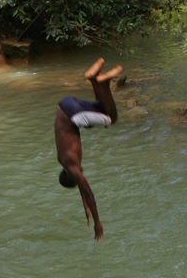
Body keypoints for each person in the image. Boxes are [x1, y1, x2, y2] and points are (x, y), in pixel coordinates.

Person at [54, 58, 122, 241]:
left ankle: (104, 83)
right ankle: (93, 78)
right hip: (64, 107)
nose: (81, 175)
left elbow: (88, 191)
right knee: (102, 107)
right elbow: (81, 185)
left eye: (76, 179)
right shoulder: (63, 160)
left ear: (70, 176)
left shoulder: (73, 168)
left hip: (73, 116)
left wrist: (98, 222)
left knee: (111, 118)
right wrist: (85, 205)